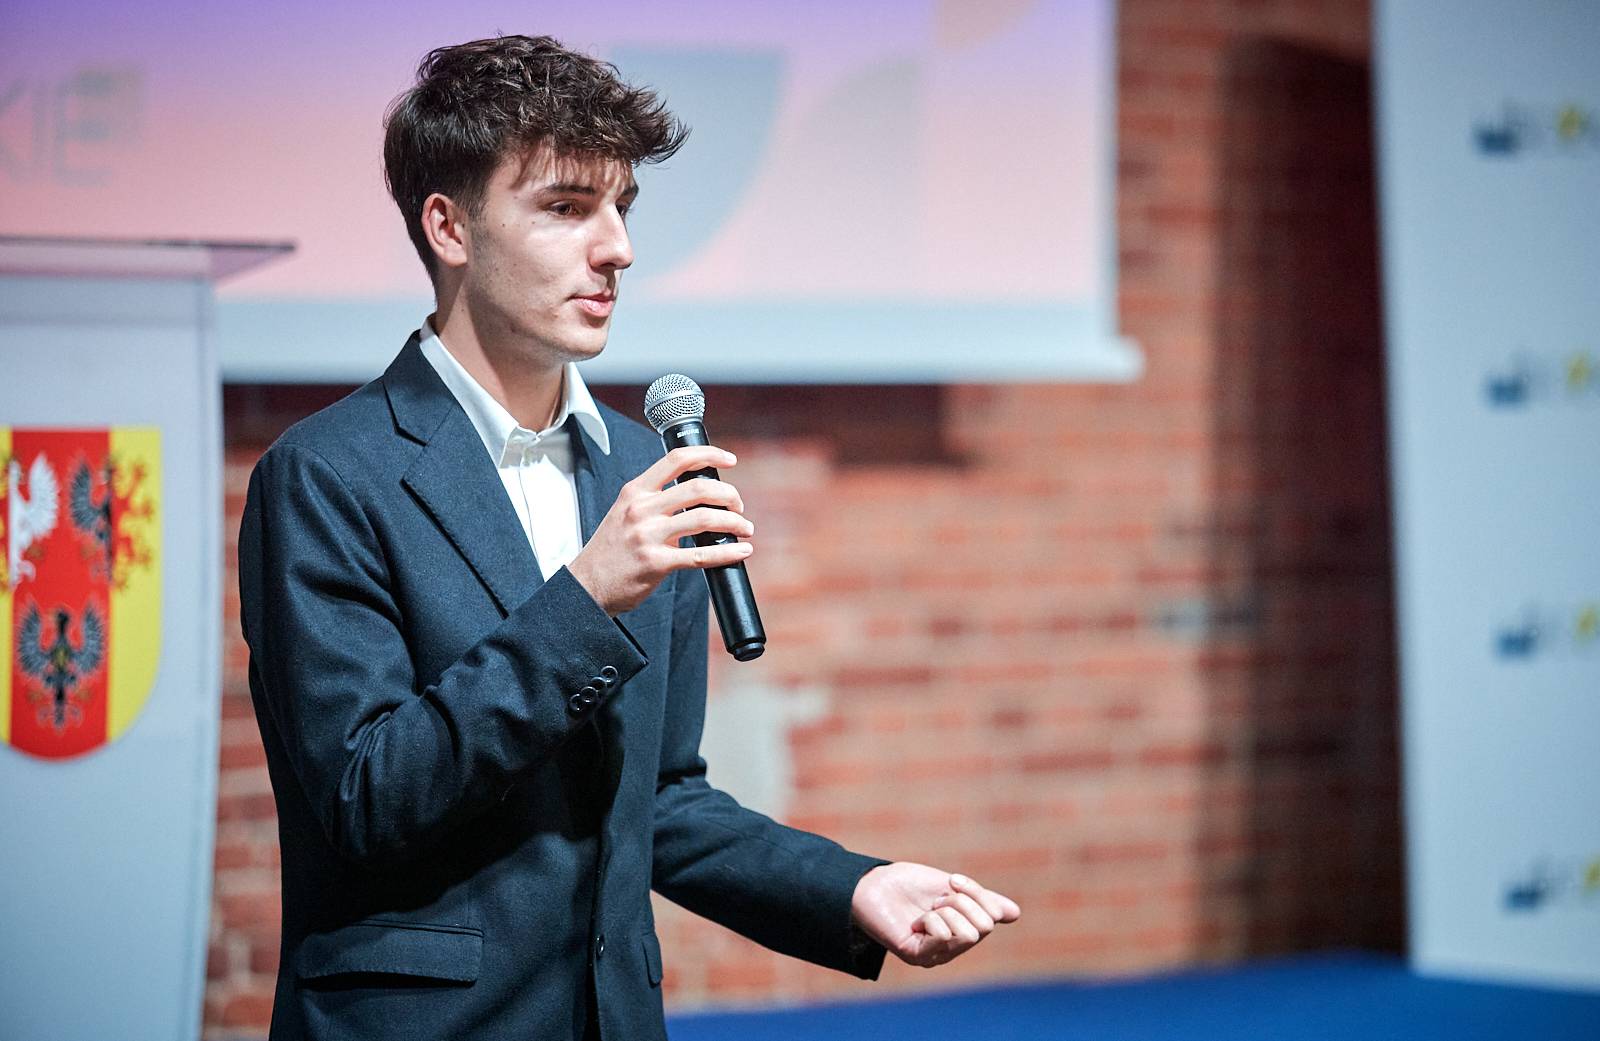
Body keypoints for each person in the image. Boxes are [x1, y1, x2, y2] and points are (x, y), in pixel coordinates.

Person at [237, 34, 1019, 1041]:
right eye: (567, 207)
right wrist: (587, 596)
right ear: (450, 226)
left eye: (622, 207)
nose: (617, 249)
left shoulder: (639, 469)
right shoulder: (327, 476)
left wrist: (850, 888)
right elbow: (367, 796)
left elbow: (660, 800)